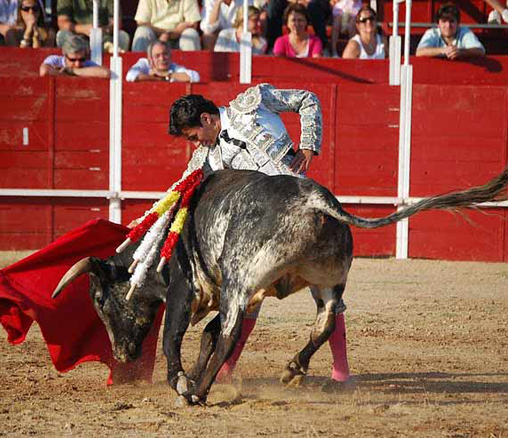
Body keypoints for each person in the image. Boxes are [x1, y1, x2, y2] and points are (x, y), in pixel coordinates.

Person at [130, 84, 351, 383]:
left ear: (207, 119)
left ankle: (341, 374)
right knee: (247, 295)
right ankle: (226, 370)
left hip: (303, 204)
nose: (196, 144)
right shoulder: (205, 159)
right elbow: (178, 194)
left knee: (326, 291)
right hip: (262, 229)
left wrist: (309, 145)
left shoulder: (253, 102)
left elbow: (308, 99)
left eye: (195, 136)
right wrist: (140, 230)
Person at [416, 3, 485, 60]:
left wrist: (461, 52)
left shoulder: (465, 32)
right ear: (438, 24)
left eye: (451, 21)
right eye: (444, 21)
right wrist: (443, 50)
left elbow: (480, 51)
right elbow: (419, 52)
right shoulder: (432, 33)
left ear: (458, 23)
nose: (448, 25)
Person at [56, 0, 130, 53]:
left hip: (103, 36)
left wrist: (103, 30)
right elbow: (62, 22)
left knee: (123, 36)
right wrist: (83, 29)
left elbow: (117, 22)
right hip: (76, 36)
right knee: (61, 35)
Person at [131, 0, 201, 52]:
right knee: (142, 31)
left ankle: (191, 69)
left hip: (179, 37)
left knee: (191, 33)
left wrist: (170, 34)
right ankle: (138, 69)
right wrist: (165, 34)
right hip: (155, 38)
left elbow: (193, 24)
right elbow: (141, 23)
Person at [266, 0, 330, 56]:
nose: (296, 24)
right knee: (274, 5)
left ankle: (323, 47)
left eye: (300, 21)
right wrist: (295, 2)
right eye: (293, 21)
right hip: (290, 2)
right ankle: (272, 46)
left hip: (313, 3)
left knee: (314, 6)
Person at [126, 40, 200, 83]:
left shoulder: (174, 67)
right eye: (157, 56)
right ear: (150, 59)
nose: (162, 58)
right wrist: (158, 78)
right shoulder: (144, 63)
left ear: (171, 56)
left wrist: (165, 74)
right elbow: (130, 75)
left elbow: (195, 77)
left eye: (165, 54)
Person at [39, 33, 110, 78]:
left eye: (81, 59)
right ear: (64, 55)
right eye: (72, 60)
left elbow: (105, 73)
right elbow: (44, 71)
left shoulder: (86, 63)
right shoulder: (56, 60)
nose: (77, 64)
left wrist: (72, 71)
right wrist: (66, 76)